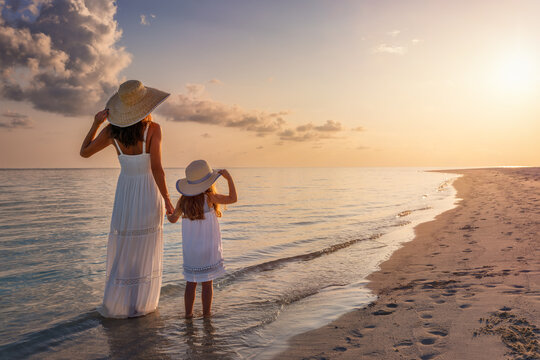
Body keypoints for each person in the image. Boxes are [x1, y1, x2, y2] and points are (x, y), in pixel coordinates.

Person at [80, 80, 175, 318]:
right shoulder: (153, 129)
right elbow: (157, 169)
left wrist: (95, 123)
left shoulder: (112, 131)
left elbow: (85, 152)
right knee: (146, 246)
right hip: (148, 191)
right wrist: (168, 200)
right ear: (145, 106)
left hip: (125, 193)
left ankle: (119, 305)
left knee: (125, 247)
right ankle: (141, 306)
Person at [167, 160, 237, 318]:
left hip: (191, 250)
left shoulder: (183, 201)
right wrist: (228, 177)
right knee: (207, 284)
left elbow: (172, 219)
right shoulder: (210, 198)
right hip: (208, 248)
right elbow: (233, 198)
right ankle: (206, 316)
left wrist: (168, 212)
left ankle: (188, 315)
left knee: (190, 283)